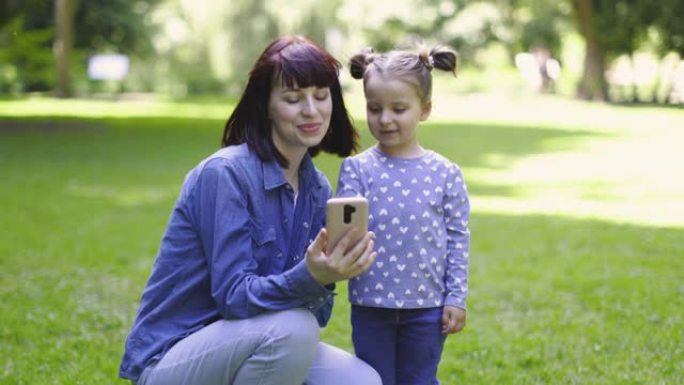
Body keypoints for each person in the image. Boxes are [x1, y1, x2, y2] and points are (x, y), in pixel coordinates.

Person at [119, 35, 382, 385]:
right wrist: (310, 277)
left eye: (321, 96)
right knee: (294, 329)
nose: (311, 110)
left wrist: (329, 274)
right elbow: (234, 298)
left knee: (361, 381)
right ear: (265, 106)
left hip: (257, 341)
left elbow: (316, 316)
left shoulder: (317, 189)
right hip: (173, 357)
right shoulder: (225, 174)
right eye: (292, 99)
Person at [336, 45, 471, 385]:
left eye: (398, 109)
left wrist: (455, 297)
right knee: (375, 379)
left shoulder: (445, 173)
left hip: (426, 307)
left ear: (424, 110)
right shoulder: (357, 169)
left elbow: (457, 238)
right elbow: (344, 226)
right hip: (371, 305)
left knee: (419, 379)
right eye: (374, 108)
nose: (384, 119)